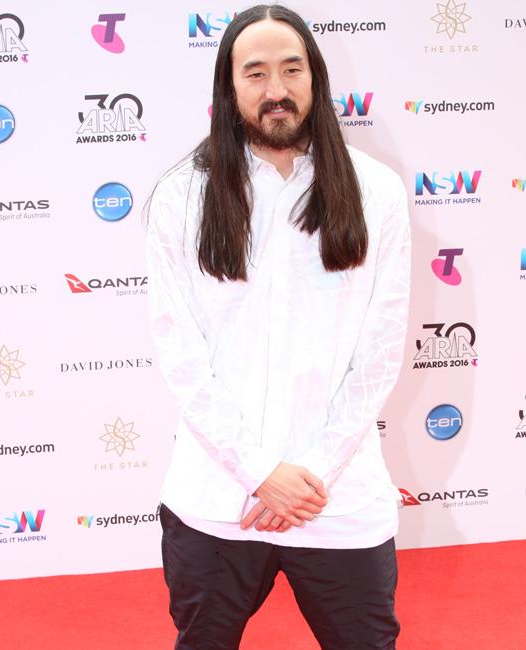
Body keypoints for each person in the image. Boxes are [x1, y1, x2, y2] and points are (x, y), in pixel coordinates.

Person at [145, 4, 411, 649]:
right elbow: (181, 354)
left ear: (315, 77)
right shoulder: (181, 195)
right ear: (229, 85)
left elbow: (380, 348)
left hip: (338, 496)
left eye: (292, 69)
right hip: (217, 500)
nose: (276, 90)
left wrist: (310, 472)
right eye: (256, 72)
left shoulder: (376, 191)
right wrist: (259, 470)